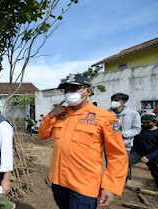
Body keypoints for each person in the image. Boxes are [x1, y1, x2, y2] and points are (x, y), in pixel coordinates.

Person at [38, 74, 128, 209]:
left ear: (88, 91)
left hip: (84, 185)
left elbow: (117, 156)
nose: (69, 93)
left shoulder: (105, 117)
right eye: (67, 90)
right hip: (58, 181)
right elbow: (43, 135)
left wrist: (110, 186)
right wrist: (51, 114)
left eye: (74, 89)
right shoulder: (60, 114)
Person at [108, 93, 141, 180]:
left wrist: (122, 134)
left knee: (124, 166)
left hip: (125, 145)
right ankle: (111, 183)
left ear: (123, 102)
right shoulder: (106, 113)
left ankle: (125, 181)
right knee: (110, 165)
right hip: (109, 145)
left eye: (116, 100)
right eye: (112, 100)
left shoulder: (133, 114)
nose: (113, 102)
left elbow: (137, 129)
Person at [128, 114, 158, 190]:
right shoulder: (140, 130)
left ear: (155, 122)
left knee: (156, 173)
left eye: (148, 123)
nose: (145, 124)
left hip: (153, 155)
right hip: (138, 153)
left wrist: (149, 157)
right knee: (125, 162)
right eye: (143, 123)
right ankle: (127, 180)